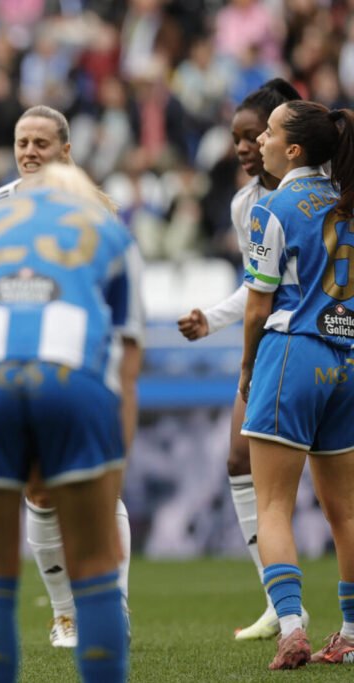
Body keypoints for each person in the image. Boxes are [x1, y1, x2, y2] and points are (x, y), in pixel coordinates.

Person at [0, 163, 143, 682]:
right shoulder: (111, 233)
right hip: (72, 378)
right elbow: (126, 362)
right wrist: (112, 479)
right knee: (96, 567)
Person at [177, 78, 310, 641]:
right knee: (239, 460)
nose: (242, 147)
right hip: (277, 341)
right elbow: (257, 288)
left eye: (254, 135)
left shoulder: (323, 190)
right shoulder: (244, 204)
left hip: (310, 341)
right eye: (236, 137)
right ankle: (280, 604)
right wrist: (212, 317)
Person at [241, 99, 354, 669]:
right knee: (348, 512)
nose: (258, 138)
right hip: (348, 358)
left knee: (274, 505)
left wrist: (246, 368)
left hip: (293, 352)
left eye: (269, 130)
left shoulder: (274, 205)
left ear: (294, 149)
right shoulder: (347, 201)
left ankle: (290, 626)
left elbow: (258, 306)